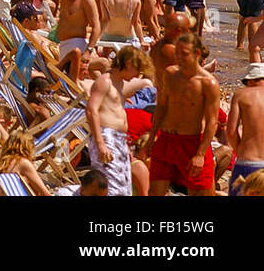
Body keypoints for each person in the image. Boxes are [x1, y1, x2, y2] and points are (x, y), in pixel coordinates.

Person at [148, 32, 220, 197]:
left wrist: (200, 154)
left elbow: (212, 122)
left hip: (192, 143)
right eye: (177, 53)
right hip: (166, 139)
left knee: (201, 193)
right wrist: (151, 138)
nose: (179, 57)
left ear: (197, 54)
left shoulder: (208, 83)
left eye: (184, 54)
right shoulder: (170, 74)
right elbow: (161, 107)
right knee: (154, 192)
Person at [85, 45, 151, 196]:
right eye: (137, 70)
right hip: (106, 136)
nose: (136, 76)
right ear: (128, 64)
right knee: (112, 184)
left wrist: (125, 146)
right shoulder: (104, 81)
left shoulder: (119, 84)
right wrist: (100, 143)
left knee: (123, 185)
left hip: (119, 139)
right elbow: (91, 109)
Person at [226, 62, 264, 195]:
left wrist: (239, 149)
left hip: (248, 160)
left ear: (251, 81)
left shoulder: (241, 95)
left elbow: (231, 131)